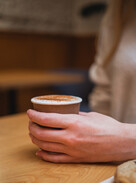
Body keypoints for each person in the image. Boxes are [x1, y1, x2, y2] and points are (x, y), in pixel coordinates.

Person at [27, 0, 136, 163]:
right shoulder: (120, 9)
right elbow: (104, 91)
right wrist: (88, 142)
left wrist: (128, 141)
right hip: (112, 169)